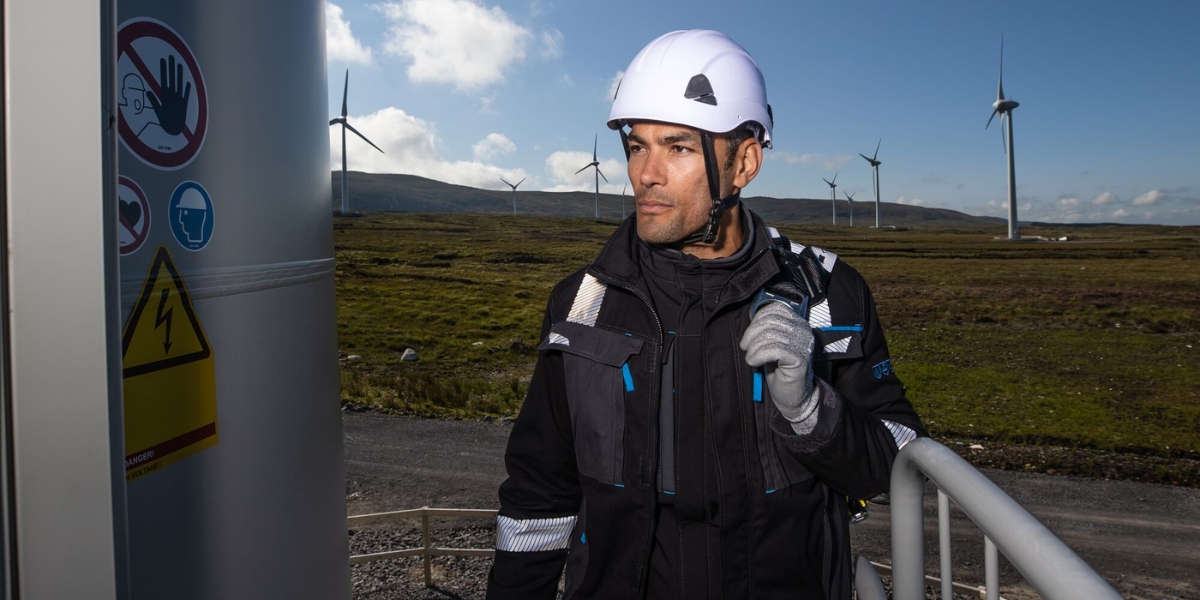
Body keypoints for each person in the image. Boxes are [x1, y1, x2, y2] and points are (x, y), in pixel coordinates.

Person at [486, 29, 927, 600]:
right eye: (636, 145)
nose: (645, 173)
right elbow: (538, 496)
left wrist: (812, 412)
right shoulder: (582, 304)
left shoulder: (827, 295)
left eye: (678, 147)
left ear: (744, 161)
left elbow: (896, 456)